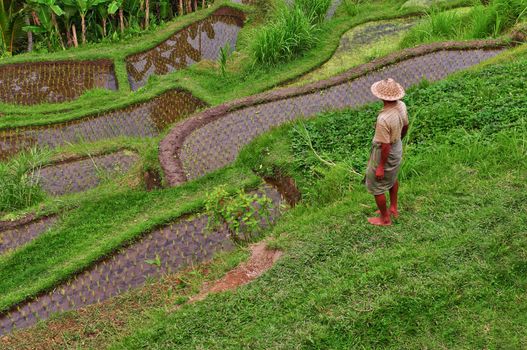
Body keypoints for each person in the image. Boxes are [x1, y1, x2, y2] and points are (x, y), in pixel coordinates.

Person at [365, 78, 409, 226]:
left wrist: (380, 166)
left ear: (381, 96)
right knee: (392, 177)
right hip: (397, 146)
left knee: (376, 186)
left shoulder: (383, 118)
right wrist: (399, 139)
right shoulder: (401, 105)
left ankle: (385, 219)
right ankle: (393, 208)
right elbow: (405, 126)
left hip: (386, 151)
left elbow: (384, 146)